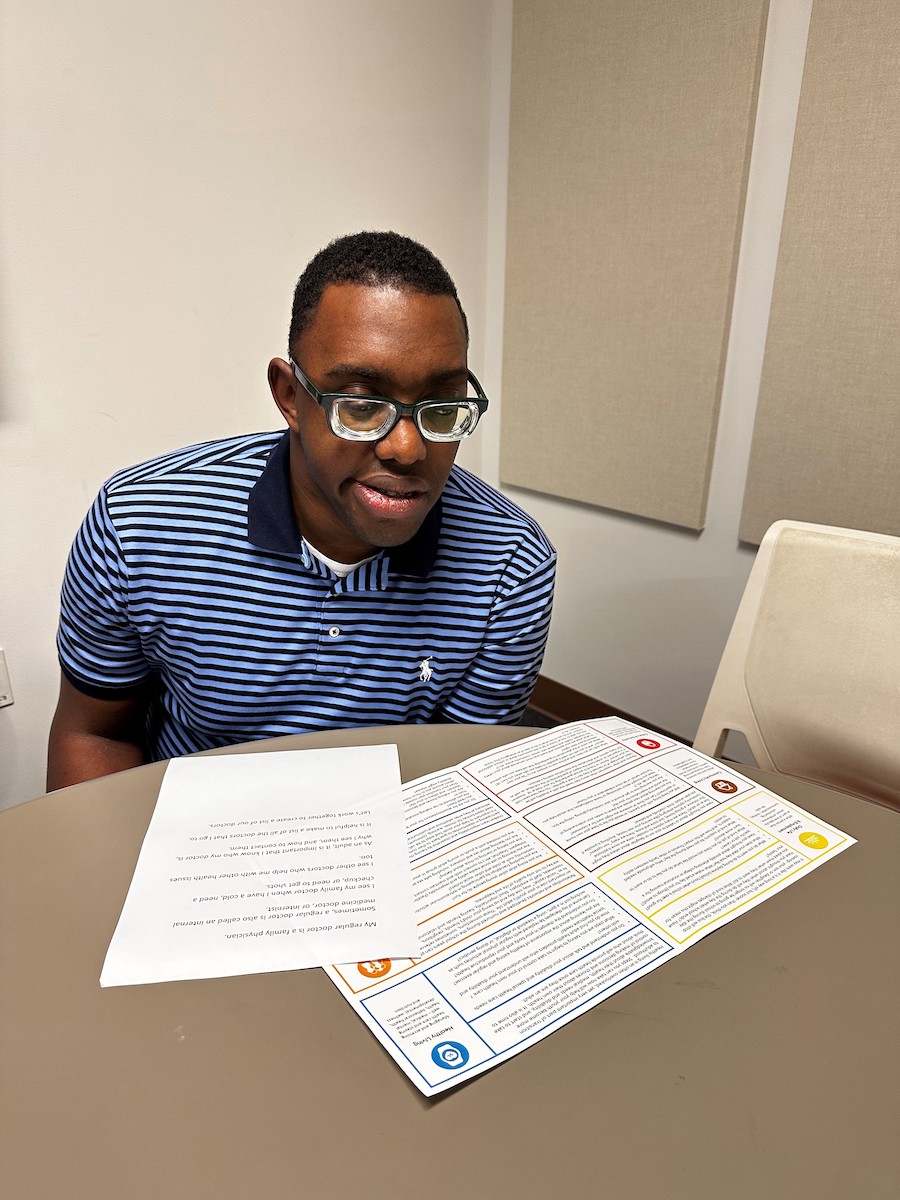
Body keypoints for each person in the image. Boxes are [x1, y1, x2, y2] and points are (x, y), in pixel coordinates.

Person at [48, 231, 556, 789]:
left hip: (393, 828)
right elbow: (93, 732)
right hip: (195, 833)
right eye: (361, 405)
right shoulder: (140, 525)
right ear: (290, 396)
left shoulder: (511, 564)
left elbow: (461, 779)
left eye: (441, 407)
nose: (408, 449)